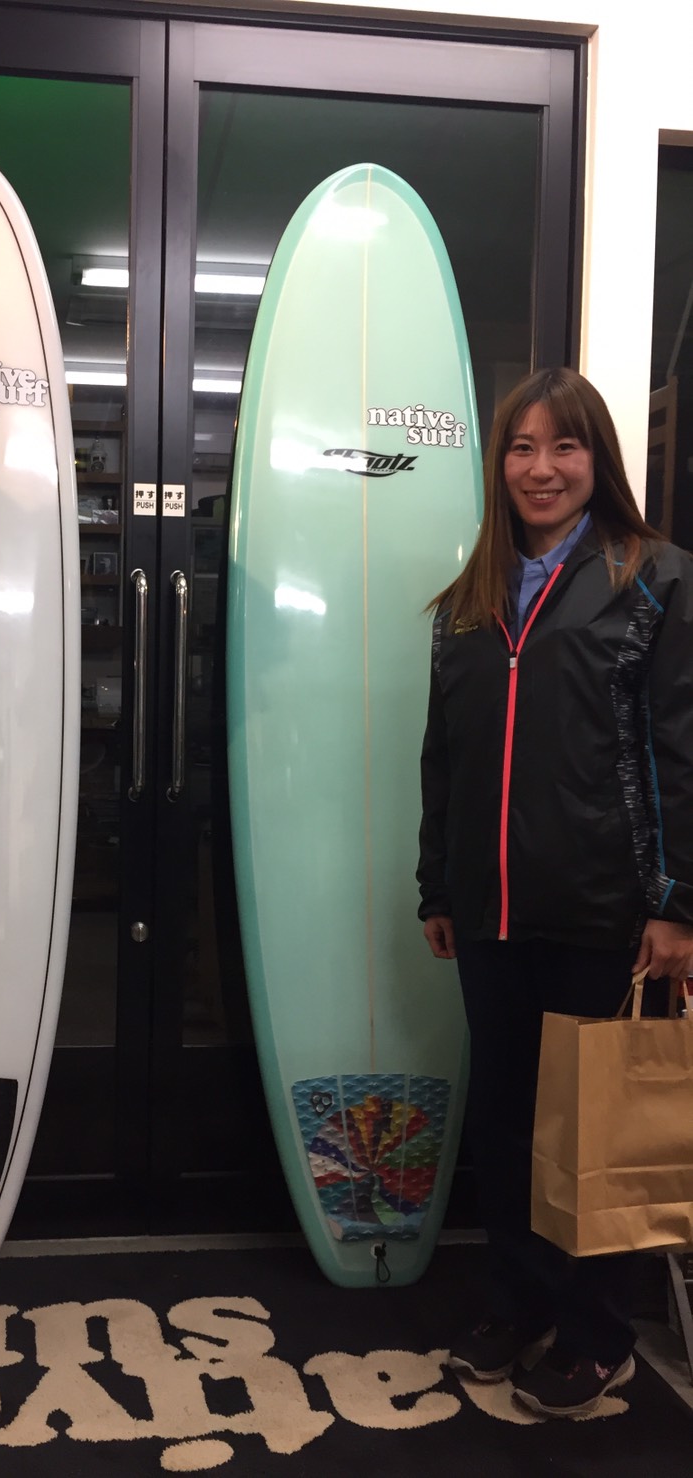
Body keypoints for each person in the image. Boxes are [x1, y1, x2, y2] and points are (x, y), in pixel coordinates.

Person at [417, 366, 693, 1419]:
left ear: (596, 459)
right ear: (500, 465)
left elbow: (682, 749)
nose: (540, 468)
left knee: (595, 1129)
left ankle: (597, 1331)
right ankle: (517, 1301)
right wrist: (435, 883)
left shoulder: (655, 578)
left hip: (606, 912)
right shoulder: (469, 598)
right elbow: (442, 756)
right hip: (489, 909)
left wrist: (677, 902)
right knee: (503, 1120)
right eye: (521, 448)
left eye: (563, 446)